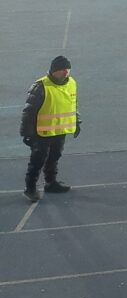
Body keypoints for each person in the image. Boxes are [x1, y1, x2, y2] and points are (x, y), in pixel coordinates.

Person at [20, 56, 80, 203]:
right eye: (62, 69)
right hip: (41, 132)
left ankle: (51, 182)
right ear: (54, 70)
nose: (66, 72)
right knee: (38, 160)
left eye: (68, 69)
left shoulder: (71, 83)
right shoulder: (40, 87)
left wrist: (76, 122)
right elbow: (29, 112)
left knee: (54, 157)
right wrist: (27, 133)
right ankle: (30, 188)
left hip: (60, 130)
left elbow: (72, 104)